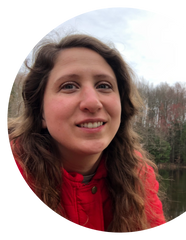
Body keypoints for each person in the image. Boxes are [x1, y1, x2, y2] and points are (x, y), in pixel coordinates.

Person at [5, 34, 167, 235]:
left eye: (103, 86)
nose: (92, 102)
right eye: (69, 86)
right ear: (40, 113)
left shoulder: (137, 174)